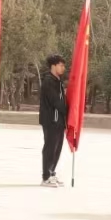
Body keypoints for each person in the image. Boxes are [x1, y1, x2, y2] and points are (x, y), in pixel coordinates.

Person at [40, 54, 68, 187]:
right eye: (61, 65)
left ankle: (52, 173)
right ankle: (46, 177)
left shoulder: (58, 81)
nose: (63, 68)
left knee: (57, 148)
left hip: (59, 120)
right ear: (53, 66)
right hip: (51, 120)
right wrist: (69, 110)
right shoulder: (48, 81)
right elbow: (55, 101)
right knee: (50, 148)